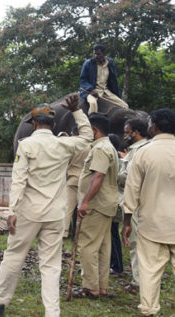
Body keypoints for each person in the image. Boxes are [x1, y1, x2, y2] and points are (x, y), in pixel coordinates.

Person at [0, 94, 92, 317]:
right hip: (56, 214)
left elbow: (18, 181)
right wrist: (77, 111)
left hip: (29, 212)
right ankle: (52, 313)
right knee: (50, 265)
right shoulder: (64, 144)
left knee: (15, 255)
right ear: (54, 124)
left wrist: (12, 211)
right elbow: (87, 137)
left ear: (33, 124)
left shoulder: (26, 145)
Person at [122, 108, 175, 317]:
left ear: (154, 126)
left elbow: (132, 189)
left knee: (150, 271)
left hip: (151, 224)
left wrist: (126, 221)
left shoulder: (144, 152)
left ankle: (149, 310)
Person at [75, 114, 119, 299]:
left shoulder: (101, 148)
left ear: (94, 130)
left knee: (87, 246)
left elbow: (98, 176)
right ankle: (101, 287)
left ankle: (90, 287)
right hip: (106, 204)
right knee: (102, 247)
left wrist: (85, 201)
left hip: (96, 204)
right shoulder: (109, 146)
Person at [117, 118, 149, 291]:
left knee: (136, 243)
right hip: (143, 203)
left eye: (127, 131)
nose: (125, 135)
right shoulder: (138, 150)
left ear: (136, 132)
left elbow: (130, 178)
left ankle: (139, 282)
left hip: (136, 203)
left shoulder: (140, 151)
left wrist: (116, 172)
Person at [79, 44, 128, 114]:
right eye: (94, 54)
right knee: (93, 104)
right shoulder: (88, 63)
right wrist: (91, 89)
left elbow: (113, 81)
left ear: (104, 54)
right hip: (91, 91)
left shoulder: (110, 63)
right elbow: (83, 80)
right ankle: (91, 123)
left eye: (98, 54)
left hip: (105, 91)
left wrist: (116, 94)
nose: (96, 56)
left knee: (125, 105)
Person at [63, 125, 90, 238]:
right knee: (83, 208)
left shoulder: (71, 145)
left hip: (72, 179)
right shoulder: (90, 146)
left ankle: (64, 232)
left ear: (74, 134)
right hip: (86, 180)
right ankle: (81, 233)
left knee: (68, 208)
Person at [107, 133, 125, 275]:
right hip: (112, 200)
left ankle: (117, 265)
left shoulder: (118, 161)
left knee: (113, 233)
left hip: (114, 200)